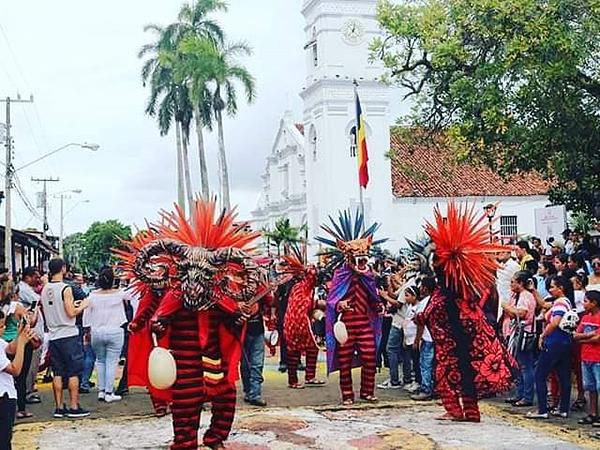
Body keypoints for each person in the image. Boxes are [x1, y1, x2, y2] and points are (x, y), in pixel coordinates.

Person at [416, 202, 515, 422]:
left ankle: (455, 411)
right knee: (466, 378)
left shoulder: (443, 299)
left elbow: (431, 318)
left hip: (450, 352)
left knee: (446, 379)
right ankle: (471, 412)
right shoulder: (462, 297)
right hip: (464, 350)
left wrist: (420, 317)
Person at [318, 210, 383, 406]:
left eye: (364, 259)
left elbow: (373, 296)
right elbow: (331, 301)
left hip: (364, 323)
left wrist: (377, 305)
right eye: (359, 259)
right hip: (345, 326)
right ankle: (347, 394)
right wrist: (339, 304)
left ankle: (367, 392)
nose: (362, 263)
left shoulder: (369, 275)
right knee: (344, 361)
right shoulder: (340, 275)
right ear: (349, 258)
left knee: (370, 357)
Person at [41, 258, 91, 418]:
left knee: (57, 371)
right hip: (68, 334)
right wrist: (83, 305)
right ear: (63, 268)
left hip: (54, 334)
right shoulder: (65, 288)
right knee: (73, 372)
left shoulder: (45, 288)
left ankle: (59, 407)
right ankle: (74, 406)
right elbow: (71, 313)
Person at [527, 275, 574, 419]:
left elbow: (554, 322)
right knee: (563, 376)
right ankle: (563, 409)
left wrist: (543, 335)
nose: (551, 290)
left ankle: (542, 410)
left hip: (554, 341)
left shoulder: (560, 303)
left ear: (561, 288)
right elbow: (544, 304)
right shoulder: (565, 302)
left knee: (540, 374)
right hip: (565, 341)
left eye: (553, 287)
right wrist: (534, 291)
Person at [83, 267, 129, 403]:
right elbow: (134, 293)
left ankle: (101, 391)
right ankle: (109, 392)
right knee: (112, 362)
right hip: (115, 331)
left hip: (96, 331)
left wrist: (87, 331)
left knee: (100, 361)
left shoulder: (92, 295)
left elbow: (86, 315)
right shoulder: (120, 293)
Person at [282, 254, 325, 389]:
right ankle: (293, 381)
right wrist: (318, 303)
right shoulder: (300, 287)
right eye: (313, 276)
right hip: (295, 325)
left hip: (303, 323)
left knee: (312, 349)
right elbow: (301, 305)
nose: (315, 278)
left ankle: (310, 377)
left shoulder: (307, 288)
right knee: (294, 352)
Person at [1, 311, 35, 450]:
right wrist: (22, 344)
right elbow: (15, 369)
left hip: (5, 394)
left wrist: (20, 334)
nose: (3, 329)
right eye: (1, 326)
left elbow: (9, 349)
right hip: (3, 397)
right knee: (3, 440)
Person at [502, 271, 537, 407]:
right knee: (518, 365)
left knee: (525, 365)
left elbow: (521, 313)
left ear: (520, 283)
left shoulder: (525, 296)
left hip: (524, 333)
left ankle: (527, 396)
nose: (511, 284)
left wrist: (506, 307)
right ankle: (520, 393)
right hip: (515, 331)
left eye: (513, 281)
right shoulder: (516, 295)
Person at [378, 277, 411, 390]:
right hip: (404, 321)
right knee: (404, 351)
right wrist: (390, 285)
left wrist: (385, 296)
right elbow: (396, 295)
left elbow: (398, 303)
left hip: (400, 321)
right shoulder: (409, 281)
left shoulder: (410, 282)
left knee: (391, 349)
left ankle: (394, 380)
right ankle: (406, 379)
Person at [574, 290, 600, 426]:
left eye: (586, 301)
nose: (583, 304)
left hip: (598, 358)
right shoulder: (585, 318)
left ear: (594, 303)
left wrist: (583, 338)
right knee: (591, 387)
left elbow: (598, 338)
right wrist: (589, 337)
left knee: (598, 386)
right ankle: (593, 413)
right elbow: (575, 335)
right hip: (586, 357)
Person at [411, 276, 436, 401]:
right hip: (436, 338)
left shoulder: (425, 303)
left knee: (425, 365)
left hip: (427, 338)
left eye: (421, 286)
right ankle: (433, 387)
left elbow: (420, 323)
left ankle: (426, 389)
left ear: (425, 288)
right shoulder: (435, 301)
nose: (420, 289)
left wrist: (417, 340)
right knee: (433, 365)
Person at [401, 285, 421, 393]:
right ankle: (415, 381)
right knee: (413, 360)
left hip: (415, 339)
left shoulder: (418, 308)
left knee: (417, 361)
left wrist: (417, 340)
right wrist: (404, 339)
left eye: (407, 295)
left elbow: (419, 325)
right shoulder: (409, 307)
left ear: (415, 296)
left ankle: (419, 381)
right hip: (408, 338)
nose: (405, 298)